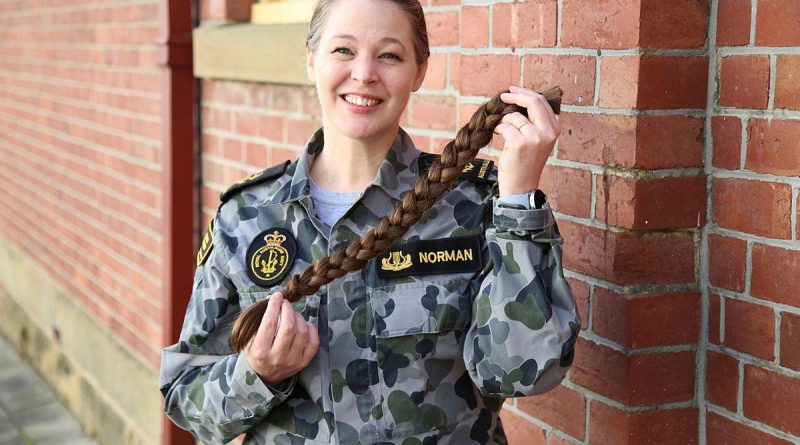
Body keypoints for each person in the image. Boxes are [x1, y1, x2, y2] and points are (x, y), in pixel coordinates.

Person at [159, 0, 581, 444]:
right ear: (310, 59)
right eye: (343, 50)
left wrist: (518, 201)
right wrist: (256, 374)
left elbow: (519, 373)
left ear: (419, 72)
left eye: (390, 55)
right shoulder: (246, 219)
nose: (364, 73)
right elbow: (187, 399)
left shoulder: (476, 204)